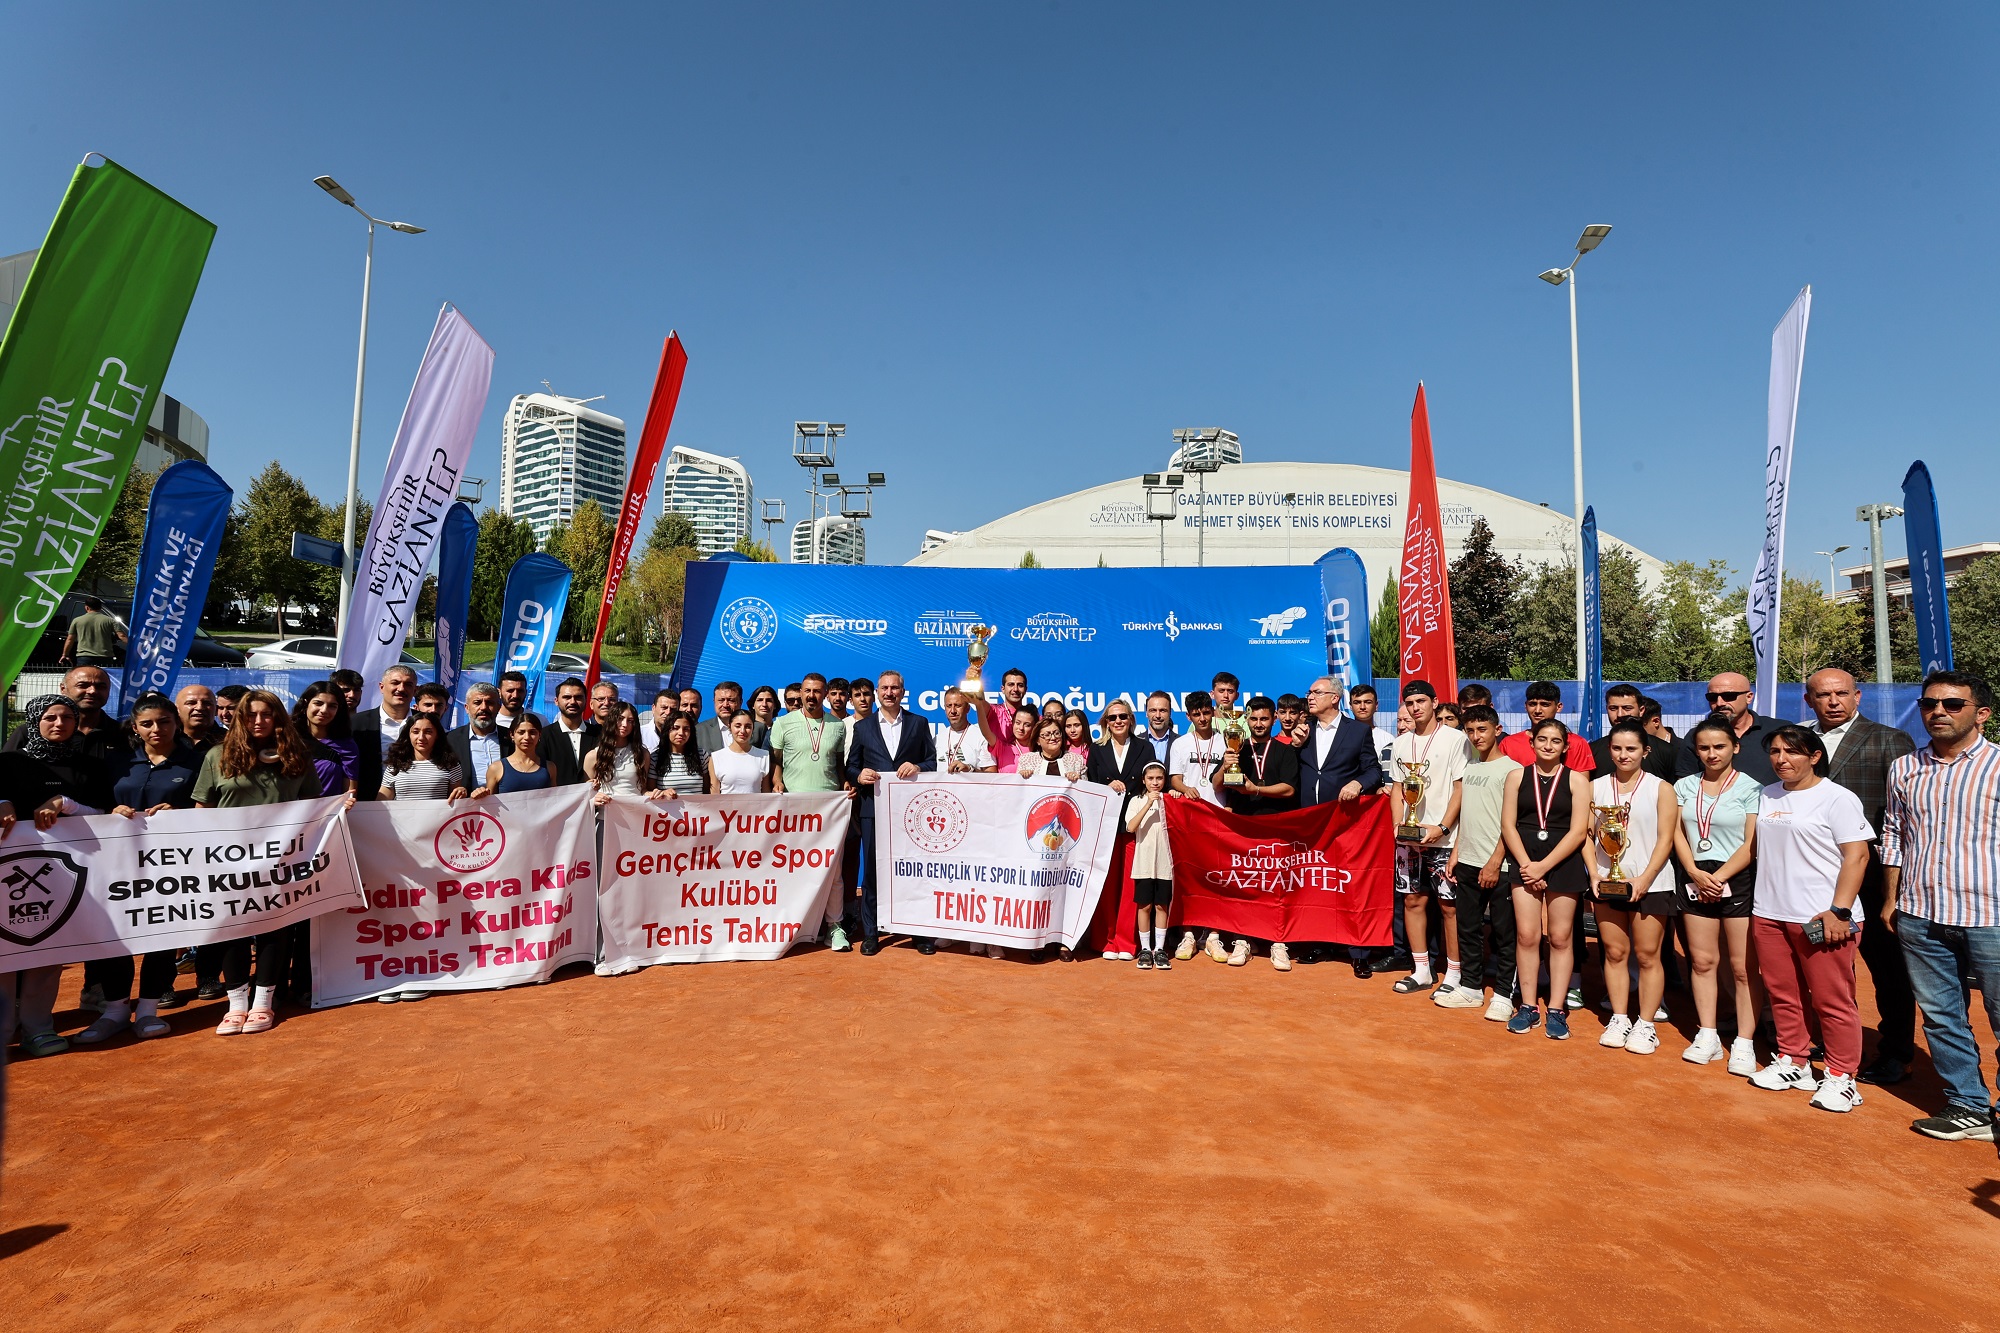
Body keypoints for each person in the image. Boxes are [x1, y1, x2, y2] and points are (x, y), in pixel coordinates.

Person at [1880, 671, 2000, 1141]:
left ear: (1981, 713)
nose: (1939, 712)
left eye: (1953, 704)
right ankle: (1967, 1105)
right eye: (1930, 703)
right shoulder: (1905, 768)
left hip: (1991, 914)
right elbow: (1894, 835)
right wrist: (1892, 898)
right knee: (1942, 1014)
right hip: (1921, 912)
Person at [1747, 726, 1873, 1113]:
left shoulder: (1837, 798)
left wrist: (1840, 910)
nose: (1782, 759)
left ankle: (1842, 1076)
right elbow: (1752, 850)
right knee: (1783, 993)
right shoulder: (1767, 795)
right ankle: (1794, 1060)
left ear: (1815, 756)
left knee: (1832, 1001)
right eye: (1776, 752)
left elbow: (1858, 856)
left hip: (1823, 917)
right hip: (1768, 913)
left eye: (1792, 752)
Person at [1803, 667, 1919, 1086]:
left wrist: (1893, 879)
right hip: (1809, 875)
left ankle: (1896, 1053)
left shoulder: (1891, 739)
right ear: (1808, 699)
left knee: (1887, 969)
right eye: (1823, 695)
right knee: (1822, 964)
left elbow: (1899, 816)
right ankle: (1827, 1038)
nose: (1832, 701)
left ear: (1857, 696)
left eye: (1840, 693)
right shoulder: (1799, 739)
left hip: (1868, 875)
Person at [192, 689, 324, 1036]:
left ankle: (263, 1002)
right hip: (227, 864)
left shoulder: (297, 756)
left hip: (279, 862)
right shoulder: (216, 756)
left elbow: (313, 807)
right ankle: (237, 1003)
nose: (259, 721)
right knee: (231, 931)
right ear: (239, 718)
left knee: (274, 930)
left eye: (267, 714)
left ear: (278, 717)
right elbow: (202, 810)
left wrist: (341, 810)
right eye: (251, 715)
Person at [74, 694, 200, 1041]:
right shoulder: (117, 762)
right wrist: (112, 811)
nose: (156, 729)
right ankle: (115, 1010)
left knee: (161, 935)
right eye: (147, 723)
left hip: (172, 866)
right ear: (135, 727)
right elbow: (95, 804)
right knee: (116, 935)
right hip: (116, 864)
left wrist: (182, 814)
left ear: (176, 722)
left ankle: (147, 1011)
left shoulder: (197, 762)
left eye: (164, 721)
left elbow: (211, 808)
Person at [2, 695, 114, 1055]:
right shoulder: (8, 762)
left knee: (48, 953)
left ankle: (38, 1029)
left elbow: (103, 813)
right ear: (34, 720)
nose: (59, 723)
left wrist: (66, 804)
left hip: (63, 877)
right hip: (9, 877)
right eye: (50, 717)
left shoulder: (89, 766)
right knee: (4, 953)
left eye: (67, 717)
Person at [1671, 713, 1763, 1074]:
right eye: (1704, 747)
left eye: (1719, 746)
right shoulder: (1683, 786)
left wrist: (1720, 876)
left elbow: (1751, 843)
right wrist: (1694, 870)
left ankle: (1744, 1042)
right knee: (1703, 961)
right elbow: (1676, 831)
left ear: (1735, 747)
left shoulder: (1752, 788)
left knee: (1742, 968)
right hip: (1695, 876)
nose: (1711, 753)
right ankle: (1707, 1034)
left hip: (1735, 878)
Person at [1587, 720, 1682, 1055]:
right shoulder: (1595, 786)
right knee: (1614, 952)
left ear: (1646, 750)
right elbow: (1586, 835)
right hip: (1607, 882)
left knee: (1647, 955)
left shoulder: (1661, 788)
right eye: (1617, 748)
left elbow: (1666, 839)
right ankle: (1619, 1017)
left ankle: (1645, 1024)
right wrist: (1594, 874)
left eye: (1631, 749)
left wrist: (1644, 879)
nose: (1623, 755)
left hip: (1651, 884)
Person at [1501, 719, 1593, 1039]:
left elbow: (1579, 831)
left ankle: (1556, 1008)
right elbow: (1509, 825)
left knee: (1560, 937)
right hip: (1524, 861)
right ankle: (1527, 1005)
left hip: (1563, 863)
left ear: (1566, 747)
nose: (1548, 745)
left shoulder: (1578, 781)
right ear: (1532, 743)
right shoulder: (1516, 777)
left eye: (1556, 741)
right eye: (1542, 739)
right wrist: (1528, 865)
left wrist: (1544, 866)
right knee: (1527, 935)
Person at [1294, 676, 1388, 975]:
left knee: (1348, 884)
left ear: (1334, 698)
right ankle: (1319, 943)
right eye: (1309, 692)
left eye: (1316, 692)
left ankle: (1358, 951)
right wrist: (1294, 746)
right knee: (1315, 884)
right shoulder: (1301, 729)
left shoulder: (1357, 731)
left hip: (1346, 823)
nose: (1310, 697)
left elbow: (1373, 770)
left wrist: (1359, 783)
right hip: (1310, 821)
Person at [845, 670, 938, 955]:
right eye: (884, 688)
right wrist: (859, 775)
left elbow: (932, 761)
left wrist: (918, 767)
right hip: (874, 811)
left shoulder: (918, 723)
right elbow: (851, 766)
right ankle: (872, 933)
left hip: (911, 814)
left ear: (902, 691)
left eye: (894, 688)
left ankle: (917, 933)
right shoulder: (863, 727)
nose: (889, 693)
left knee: (912, 871)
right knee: (873, 873)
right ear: (877, 691)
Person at [1438, 704, 1521, 1020]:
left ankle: (1503, 993)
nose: (1476, 736)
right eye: (1470, 730)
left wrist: (1495, 860)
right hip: (1467, 862)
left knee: (1504, 932)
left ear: (1497, 730)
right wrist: (1457, 851)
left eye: (1482, 729)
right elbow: (1468, 815)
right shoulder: (1470, 768)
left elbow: (1510, 823)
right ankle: (1472, 988)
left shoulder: (1512, 770)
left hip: (1498, 866)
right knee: (1468, 927)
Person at [1388, 680, 1469, 995]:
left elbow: (1461, 788)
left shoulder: (1456, 739)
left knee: (1449, 906)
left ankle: (1454, 973)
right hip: (1408, 839)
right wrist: (1398, 824)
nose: (1415, 707)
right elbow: (1397, 787)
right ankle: (1421, 970)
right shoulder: (1401, 743)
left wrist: (1444, 828)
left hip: (1444, 840)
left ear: (1435, 703)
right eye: (1410, 703)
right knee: (1412, 900)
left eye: (1421, 701)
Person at [769, 674, 850, 948]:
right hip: (795, 808)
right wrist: (777, 780)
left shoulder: (838, 725)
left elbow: (838, 765)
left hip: (829, 808)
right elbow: (776, 763)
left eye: (817, 691)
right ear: (799, 693)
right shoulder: (783, 723)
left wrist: (844, 784)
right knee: (794, 869)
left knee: (833, 872)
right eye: (807, 691)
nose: (811, 696)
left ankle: (834, 927)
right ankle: (795, 925)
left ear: (826, 693)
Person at [1167, 691, 1231, 964]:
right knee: (1189, 876)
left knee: (1216, 876)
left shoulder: (1228, 741)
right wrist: (1186, 788)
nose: (1203, 718)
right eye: (1197, 714)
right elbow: (1174, 780)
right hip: (1189, 819)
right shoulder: (1180, 743)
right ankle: (1189, 933)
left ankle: (1213, 934)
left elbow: (1233, 776)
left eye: (1206, 712)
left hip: (1218, 817)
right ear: (1189, 716)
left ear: (1213, 711)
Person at [5, 664, 130, 765]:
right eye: (83, 685)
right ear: (63, 688)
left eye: (101, 686)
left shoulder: (122, 733)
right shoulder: (31, 733)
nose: (92, 691)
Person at [1675, 671, 1780, 785]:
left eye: (1728, 696)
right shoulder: (1696, 735)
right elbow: (1685, 784)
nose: (1719, 703)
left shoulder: (1779, 730)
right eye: (1712, 697)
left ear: (1749, 697)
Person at [1127, 762, 1175, 970]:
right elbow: (1130, 827)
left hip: (1166, 862)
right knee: (1144, 906)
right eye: (1151, 779)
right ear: (1143, 780)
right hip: (1144, 862)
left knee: (1161, 906)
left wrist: (1174, 797)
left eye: (1159, 779)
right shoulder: (1136, 800)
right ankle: (1146, 949)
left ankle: (1160, 949)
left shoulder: (1171, 800)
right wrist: (1148, 803)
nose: (1155, 783)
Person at [351, 664, 417, 801]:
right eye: (395, 683)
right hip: (369, 803)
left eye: (408, 684)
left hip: (416, 803)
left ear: (415, 690)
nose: (401, 688)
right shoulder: (356, 724)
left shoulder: (427, 723)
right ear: (382, 687)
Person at [1499, 682, 1594, 771]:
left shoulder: (1577, 743)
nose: (1537, 710)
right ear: (1525, 706)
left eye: (1545, 704)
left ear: (1559, 707)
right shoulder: (1509, 744)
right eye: (1532, 704)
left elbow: (1582, 785)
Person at [1591, 684, 1677, 781]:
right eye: (1613, 708)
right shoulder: (1592, 751)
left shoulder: (1667, 751)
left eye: (1627, 708)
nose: (1619, 714)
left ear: (1641, 710)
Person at [292, 681, 360, 798]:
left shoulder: (346, 745)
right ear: (306, 703)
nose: (324, 710)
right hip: (287, 812)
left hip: (327, 814)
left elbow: (349, 792)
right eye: (318, 703)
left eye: (332, 706)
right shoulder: (287, 738)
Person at [380, 713, 469, 802]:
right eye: (415, 732)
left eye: (428, 732)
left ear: (437, 735)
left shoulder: (451, 765)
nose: (421, 737)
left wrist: (461, 793)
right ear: (408, 734)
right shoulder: (395, 765)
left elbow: (455, 801)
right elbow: (380, 803)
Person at [471, 712, 557, 796]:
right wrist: (478, 795)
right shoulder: (496, 768)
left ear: (539, 735)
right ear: (512, 735)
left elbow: (556, 801)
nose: (527, 737)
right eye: (521, 732)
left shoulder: (550, 768)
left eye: (532, 732)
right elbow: (488, 804)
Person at [585, 702, 652, 804]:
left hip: (634, 813)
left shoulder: (643, 754)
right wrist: (594, 798)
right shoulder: (593, 755)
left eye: (630, 721)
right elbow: (587, 791)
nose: (625, 724)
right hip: (605, 815)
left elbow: (643, 789)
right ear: (612, 720)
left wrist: (653, 794)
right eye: (620, 719)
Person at [447, 682, 513, 785]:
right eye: (477, 702)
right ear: (467, 708)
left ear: (499, 707)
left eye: (489, 702)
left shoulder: (511, 737)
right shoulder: (451, 740)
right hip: (466, 800)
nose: (483, 708)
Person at [544, 678, 600, 786]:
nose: (572, 702)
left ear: (586, 700)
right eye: (567, 697)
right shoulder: (544, 735)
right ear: (556, 701)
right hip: (557, 800)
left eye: (578, 697)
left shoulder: (599, 734)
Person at [650, 712, 709, 799]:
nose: (681, 733)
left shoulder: (701, 755)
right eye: (675, 728)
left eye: (686, 729)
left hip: (697, 811)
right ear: (667, 730)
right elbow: (651, 791)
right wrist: (662, 793)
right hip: (667, 811)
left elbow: (707, 790)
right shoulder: (655, 758)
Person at [938, 689, 997, 773]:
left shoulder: (981, 737)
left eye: (957, 705)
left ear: (967, 708)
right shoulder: (937, 739)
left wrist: (970, 769)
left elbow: (992, 775)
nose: (953, 711)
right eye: (949, 706)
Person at [61, 594, 126, 666]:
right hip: (105, 656)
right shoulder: (110, 620)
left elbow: (70, 639)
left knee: (85, 677)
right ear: (100, 607)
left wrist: (65, 654)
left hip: (84, 656)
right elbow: (122, 636)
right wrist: (135, 647)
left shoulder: (77, 620)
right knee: (102, 677)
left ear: (86, 607)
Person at [1019, 717, 1086, 781]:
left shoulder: (1076, 760)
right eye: (1047, 735)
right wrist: (1021, 777)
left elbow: (1086, 789)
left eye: (1057, 733)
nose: (1053, 738)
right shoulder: (1026, 760)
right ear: (1038, 741)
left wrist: (1078, 780)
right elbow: (1017, 788)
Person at [697, 682, 747, 753]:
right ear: (714, 701)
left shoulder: (757, 729)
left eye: (731, 700)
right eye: (721, 700)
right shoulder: (700, 730)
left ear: (741, 702)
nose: (725, 705)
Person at [176, 683, 225, 755]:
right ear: (176, 710)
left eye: (207, 703)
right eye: (191, 703)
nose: (200, 707)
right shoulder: (166, 740)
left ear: (216, 710)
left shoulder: (232, 741)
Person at [1351, 683, 1395, 761]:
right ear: (1351, 706)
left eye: (1368, 702)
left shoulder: (1387, 739)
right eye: (1357, 702)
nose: (1362, 707)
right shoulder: (1341, 737)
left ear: (1376, 706)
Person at [992, 705, 1038, 777]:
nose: (1021, 728)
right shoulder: (1002, 748)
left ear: (1034, 727)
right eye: (1018, 723)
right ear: (1013, 723)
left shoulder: (1041, 751)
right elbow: (986, 732)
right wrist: (979, 706)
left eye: (1027, 725)